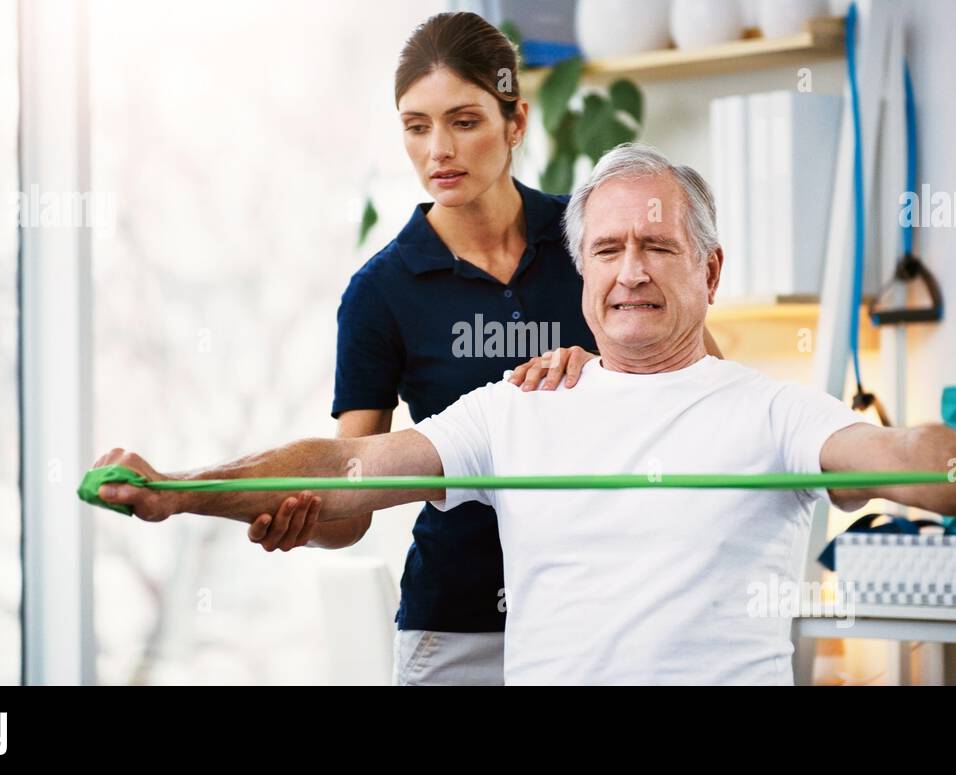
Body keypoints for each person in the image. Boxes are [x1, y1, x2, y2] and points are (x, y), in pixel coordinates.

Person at [90, 143, 956, 685]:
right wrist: (183, 490)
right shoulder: (518, 406)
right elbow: (349, 476)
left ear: (708, 271)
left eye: (657, 246)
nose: (631, 269)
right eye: (606, 249)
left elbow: (897, 455)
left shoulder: (771, 411)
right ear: (580, 269)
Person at [238, 11, 720, 685]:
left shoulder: (598, 240)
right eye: (417, 126)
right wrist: (305, 520)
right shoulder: (379, 292)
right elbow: (354, 483)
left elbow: (709, 390)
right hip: (457, 624)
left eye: (464, 121)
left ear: (516, 121)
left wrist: (604, 369)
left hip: (607, 614)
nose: (440, 148)